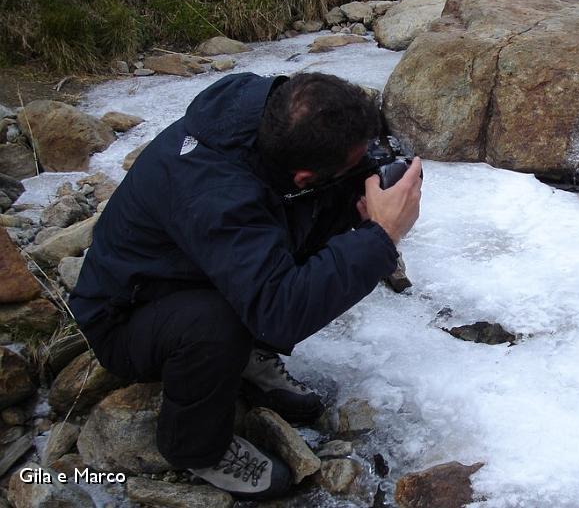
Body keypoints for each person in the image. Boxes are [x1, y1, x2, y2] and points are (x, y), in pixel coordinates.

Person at [68, 71, 423, 500]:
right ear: (303, 177)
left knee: (343, 196)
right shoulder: (215, 194)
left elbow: (320, 185)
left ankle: (243, 356)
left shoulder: (270, 115)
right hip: (127, 316)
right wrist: (380, 235)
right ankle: (196, 449)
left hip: (199, 268)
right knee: (217, 325)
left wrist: (375, 178)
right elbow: (281, 313)